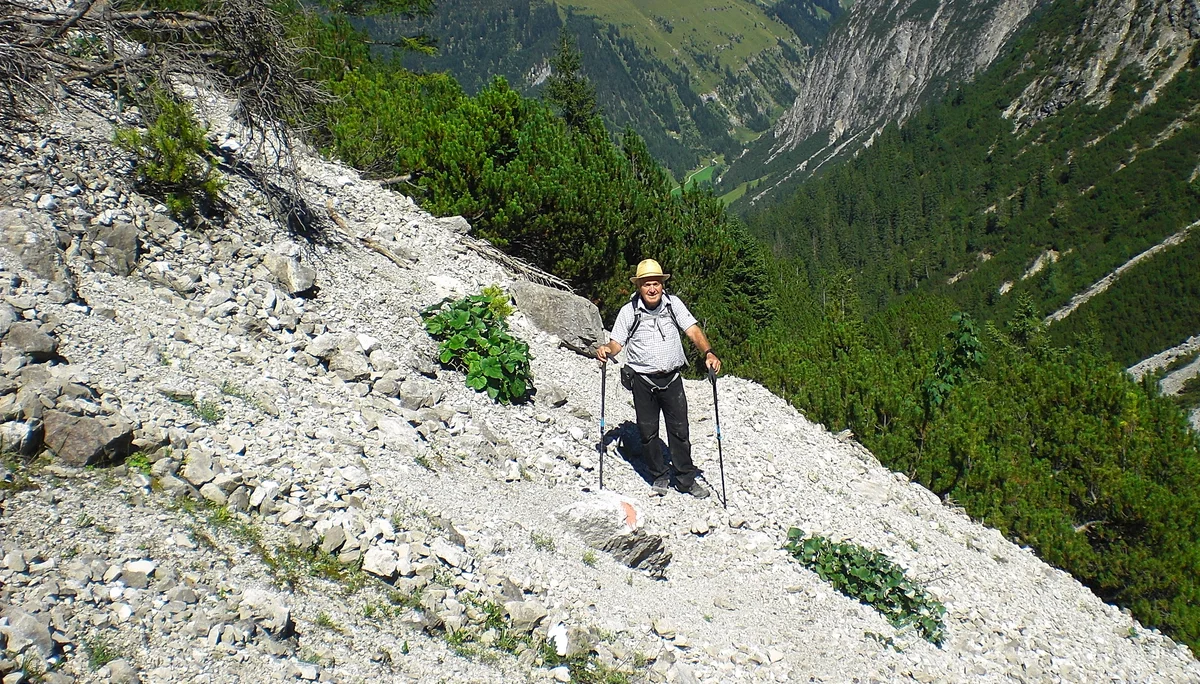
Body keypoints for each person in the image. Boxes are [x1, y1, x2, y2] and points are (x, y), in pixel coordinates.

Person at [596, 259, 721, 498]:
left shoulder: (673, 305)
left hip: (672, 379)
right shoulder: (628, 311)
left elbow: (693, 330)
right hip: (642, 380)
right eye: (646, 284)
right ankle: (659, 475)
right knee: (648, 432)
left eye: (656, 283)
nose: (652, 289)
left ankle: (685, 479)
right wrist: (606, 350)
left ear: (662, 284)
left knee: (680, 431)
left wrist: (708, 352)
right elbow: (617, 344)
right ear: (639, 287)